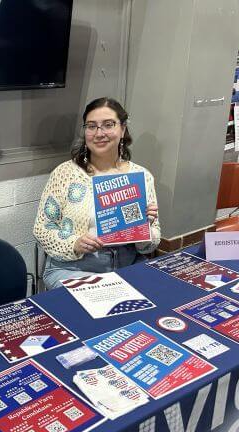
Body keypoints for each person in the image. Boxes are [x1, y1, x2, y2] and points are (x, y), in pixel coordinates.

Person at [33, 97, 161, 289]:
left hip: (128, 265)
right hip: (73, 268)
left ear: (123, 129)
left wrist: (145, 228)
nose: (99, 133)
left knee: (156, 298)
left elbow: (149, 246)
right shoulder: (65, 174)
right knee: (101, 305)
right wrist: (74, 243)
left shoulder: (140, 177)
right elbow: (42, 228)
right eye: (91, 126)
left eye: (108, 125)